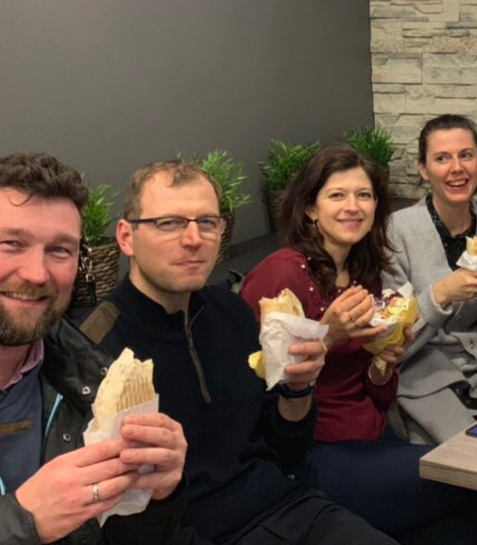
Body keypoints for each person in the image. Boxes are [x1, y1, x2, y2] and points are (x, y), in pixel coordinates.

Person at [81, 160, 396, 545]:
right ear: (126, 237)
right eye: (169, 223)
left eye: (207, 222)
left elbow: (285, 451)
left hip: (289, 507)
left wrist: (298, 389)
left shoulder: (231, 311)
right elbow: (121, 522)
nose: (193, 238)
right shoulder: (97, 350)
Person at [240, 145, 477, 545]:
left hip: (375, 438)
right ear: (311, 208)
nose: (353, 207)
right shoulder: (282, 273)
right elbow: (258, 391)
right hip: (315, 454)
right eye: (337, 195)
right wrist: (328, 335)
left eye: (364, 195)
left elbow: (378, 393)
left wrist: (383, 364)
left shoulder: (364, 275)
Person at [0, 153, 187, 544]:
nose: (36, 274)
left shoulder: (92, 377)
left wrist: (158, 495)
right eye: (11, 243)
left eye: (59, 250)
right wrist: (25, 520)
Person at [383, 115, 477, 444]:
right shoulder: (396, 230)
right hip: (417, 380)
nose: (457, 168)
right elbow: (392, 344)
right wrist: (442, 294)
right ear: (424, 169)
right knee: (469, 458)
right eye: (442, 158)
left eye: (466, 155)